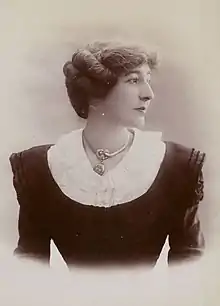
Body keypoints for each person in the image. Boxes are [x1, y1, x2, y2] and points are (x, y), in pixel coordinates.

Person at [9, 41, 206, 268]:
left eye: (148, 80)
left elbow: (190, 268)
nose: (148, 94)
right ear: (95, 92)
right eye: (134, 80)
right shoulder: (41, 167)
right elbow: (30, 267)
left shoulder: (178, 166)